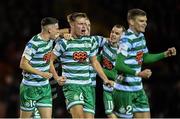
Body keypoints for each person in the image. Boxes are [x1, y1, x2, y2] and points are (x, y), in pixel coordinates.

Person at [109, 9, 176, 118]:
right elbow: (118, 64)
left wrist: (165, 54)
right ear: (131, 21)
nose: (145, 23)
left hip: (138, 89)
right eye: (141, 21)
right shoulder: (126, 39)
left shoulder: (141, 37)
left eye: (145, 21)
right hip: (124, 91)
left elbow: (145, 57)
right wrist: (138, 74)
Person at [50, 12, 114, 118]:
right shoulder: (64, 43)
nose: (84, 27)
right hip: (72, 85)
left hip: (88, 86)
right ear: (72, 25)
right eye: (80, 24)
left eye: (86, 24)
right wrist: (56, 77)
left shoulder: (91, 41)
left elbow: (94, 62)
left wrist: (105, 79)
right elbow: (49, 60)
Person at [19, 17, 65, 118]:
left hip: (45, 87)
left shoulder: (50, 39)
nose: (58, 31)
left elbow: (48, 62)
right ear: (49, 30)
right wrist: (41, 73)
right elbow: (23, 64)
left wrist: (57, 78)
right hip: (30, 88)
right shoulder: (34, 43)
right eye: (56, 29)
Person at [98, 24, 125, 118]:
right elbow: (98, 58)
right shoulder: (105, 44)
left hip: (119, 88)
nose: (113, 34)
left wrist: (97, 68)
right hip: (107, 87)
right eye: (112, 32)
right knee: (109, 112)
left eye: (117, 33)